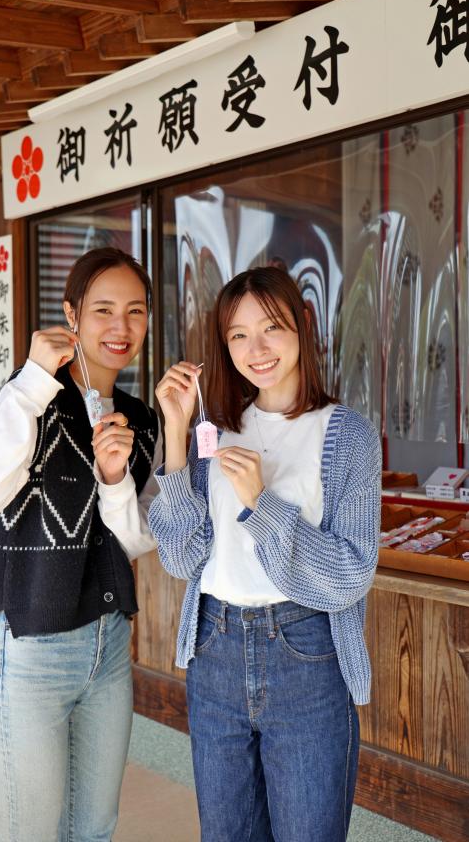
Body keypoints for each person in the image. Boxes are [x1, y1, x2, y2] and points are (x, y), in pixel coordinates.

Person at [149, 266, 381, 842]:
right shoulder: (215, 431)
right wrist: (175, 436)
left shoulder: (347, 434)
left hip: (307, 655)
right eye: (237, 335)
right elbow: (181, 557)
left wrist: (262, 503)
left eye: (271, 327)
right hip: (215, 649)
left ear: (302, 326)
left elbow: (351, 574)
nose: (256, 349)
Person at [0, 247, 161, 842]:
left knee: (94, 830)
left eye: (135, 311)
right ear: (71, 315)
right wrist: (32, 383)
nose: (120, 328)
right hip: (30, 652)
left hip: (108, 650)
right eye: (102, 310)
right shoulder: (31, 398)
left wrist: (115, 479)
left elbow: (138, 541)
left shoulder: (141, 421)